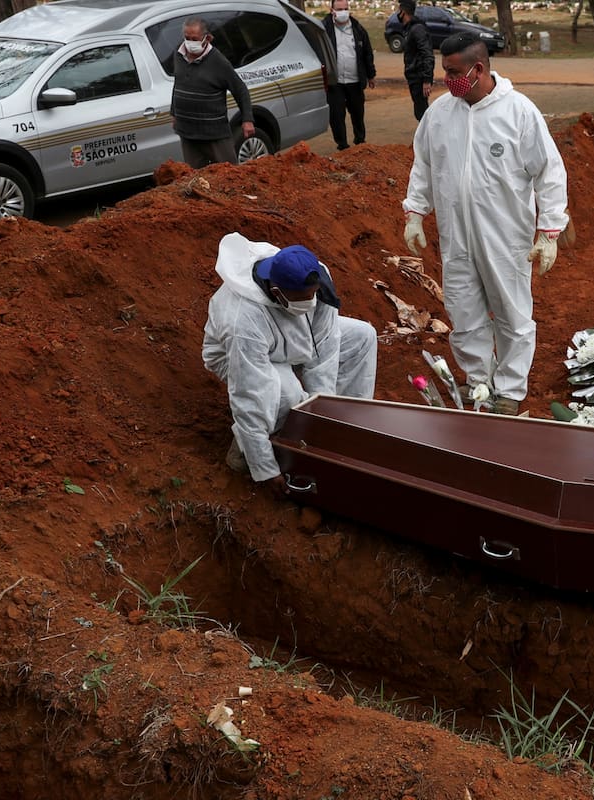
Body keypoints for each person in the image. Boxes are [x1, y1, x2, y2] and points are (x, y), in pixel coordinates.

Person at [402, 33, 569, 416]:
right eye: (445, 72)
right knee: (464, 314)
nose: (447, 80)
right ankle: (479, 381)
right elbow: (423, 166)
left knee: (511, 314)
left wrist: (549, 232)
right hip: (455, 236)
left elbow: (549, 172)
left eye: (453, 72)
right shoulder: (439, 115)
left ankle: (509, 391)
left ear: (478, 69)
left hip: (505, 237)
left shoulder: (519, 112)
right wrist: (415, 213)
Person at [202, 233, 378, 495]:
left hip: (291, 339)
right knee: (287, 394)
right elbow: (249, 393)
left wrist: (322, 413)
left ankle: (345, 428)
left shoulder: (317, 279)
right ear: (277, 292)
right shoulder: (244, 319)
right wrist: (266, 468)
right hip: (239, 354)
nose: (311, 303)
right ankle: (247, 451)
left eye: (313, 296)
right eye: (303, 299)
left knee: (362, 337)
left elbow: (325, 348)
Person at [171, 18, 255, 169]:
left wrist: (247, 119)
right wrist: (174, 113)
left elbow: (240, 89)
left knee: (229, 175)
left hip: (214, 134)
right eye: (187, 38)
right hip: (188, 132)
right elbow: (178, 83)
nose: (190, 43)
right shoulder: (178, 54)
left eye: (194, 39)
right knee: (195, 179)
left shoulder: (218, 61)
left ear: (207, 38)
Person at [323, 0, 377, 150]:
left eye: (346, 9)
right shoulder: (324, 30)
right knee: (336, 115)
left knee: (358, 113)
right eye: (339, 9)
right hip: (335, 82)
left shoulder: (358, 29)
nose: (343, 12)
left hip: (355, 81)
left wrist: (371, 75)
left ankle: (360, 142)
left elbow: (367, 53)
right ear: (331, 10)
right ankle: (342, 145)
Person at [398, 0, 435, 121]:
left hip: (419, 76)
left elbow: (427, 54)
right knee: (419, 110)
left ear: (403, 12)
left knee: (422, 112)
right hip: (413, 76)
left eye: (399, 10)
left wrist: (426, 79)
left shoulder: (417, 29)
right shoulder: (409, 29)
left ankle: (427, 138)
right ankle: (425, 137)